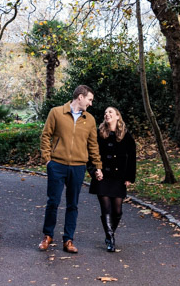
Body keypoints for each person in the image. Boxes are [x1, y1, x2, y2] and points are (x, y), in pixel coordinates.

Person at [39, 85, 102, 253]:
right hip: (57, 166)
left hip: (78, 167)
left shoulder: (90, 120)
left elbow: (93, 145)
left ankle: (68, 240)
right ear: (80, 97)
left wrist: (97, 166)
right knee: (53, 202)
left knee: (72, 204)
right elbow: (46, 135)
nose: (90, 104)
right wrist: (47, 160)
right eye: (89, 100)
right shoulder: (56, 112)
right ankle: (48, 236)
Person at [88, 106, 136, 252]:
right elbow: (90, 154)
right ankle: (110, 239)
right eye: (105, 113)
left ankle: (110, 234)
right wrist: (94, 171)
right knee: (106, 208)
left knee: (117, 211)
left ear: (117, 116)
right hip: (102, 177)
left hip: (119, 178)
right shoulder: (98, 134)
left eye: (110, 112)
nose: (107, 114)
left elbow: (132, 157)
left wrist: (129, 177)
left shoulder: (126, 136)